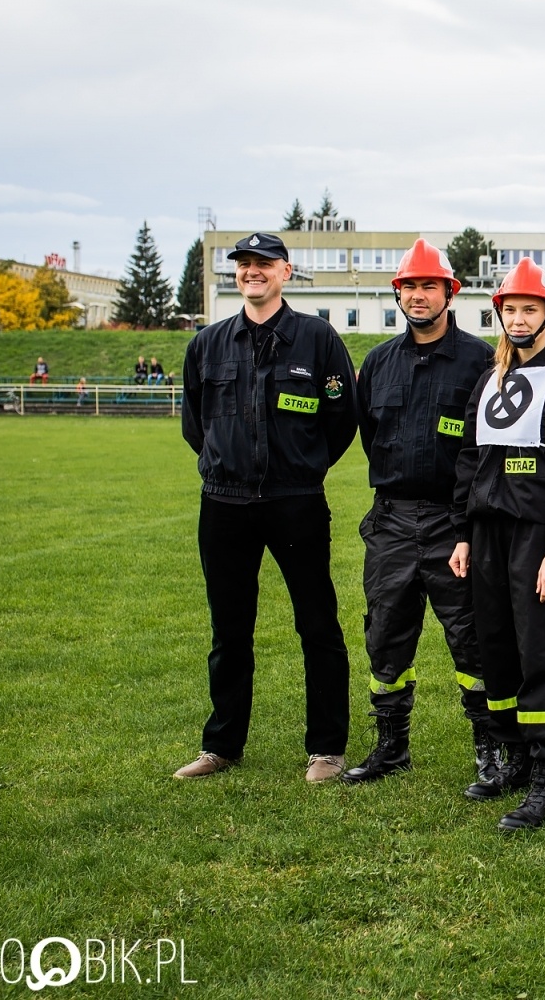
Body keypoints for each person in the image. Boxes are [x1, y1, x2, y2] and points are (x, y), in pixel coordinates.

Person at [175, 232, 358, 783]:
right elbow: (195, 423)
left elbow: (341, 417)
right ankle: (222, 745)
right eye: (244, 265)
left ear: (285, 271)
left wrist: (304, 467)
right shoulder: (207, 344)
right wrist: (221, 462)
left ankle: (327, 749)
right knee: (229, 630)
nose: (252, 272)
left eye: (264, 264)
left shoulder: (317, 338)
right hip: (225, 505)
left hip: (295, 502)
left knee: (318, 625)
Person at [447, 258, 545, 832]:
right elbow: (469, 460)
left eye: (528, 309)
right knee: (498, 652)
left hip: (539, 539)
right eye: (509, 309)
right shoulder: (488, 381)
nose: (517, 318)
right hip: (487, 534)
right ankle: (515, 758)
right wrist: (463, 533)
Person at [342, 240, 499, 792]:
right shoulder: (378, 362)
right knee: (385, 635)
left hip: (453, 524)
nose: (417, 296)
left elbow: (489, 449)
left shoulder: (481, 360)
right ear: (398, 294)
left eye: (428, 286)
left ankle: (492, 751)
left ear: (449, 293)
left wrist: (467, 525)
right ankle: (390, 747)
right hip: (390, 521)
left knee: (471, 638)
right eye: (409, 287)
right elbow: (369, 435)